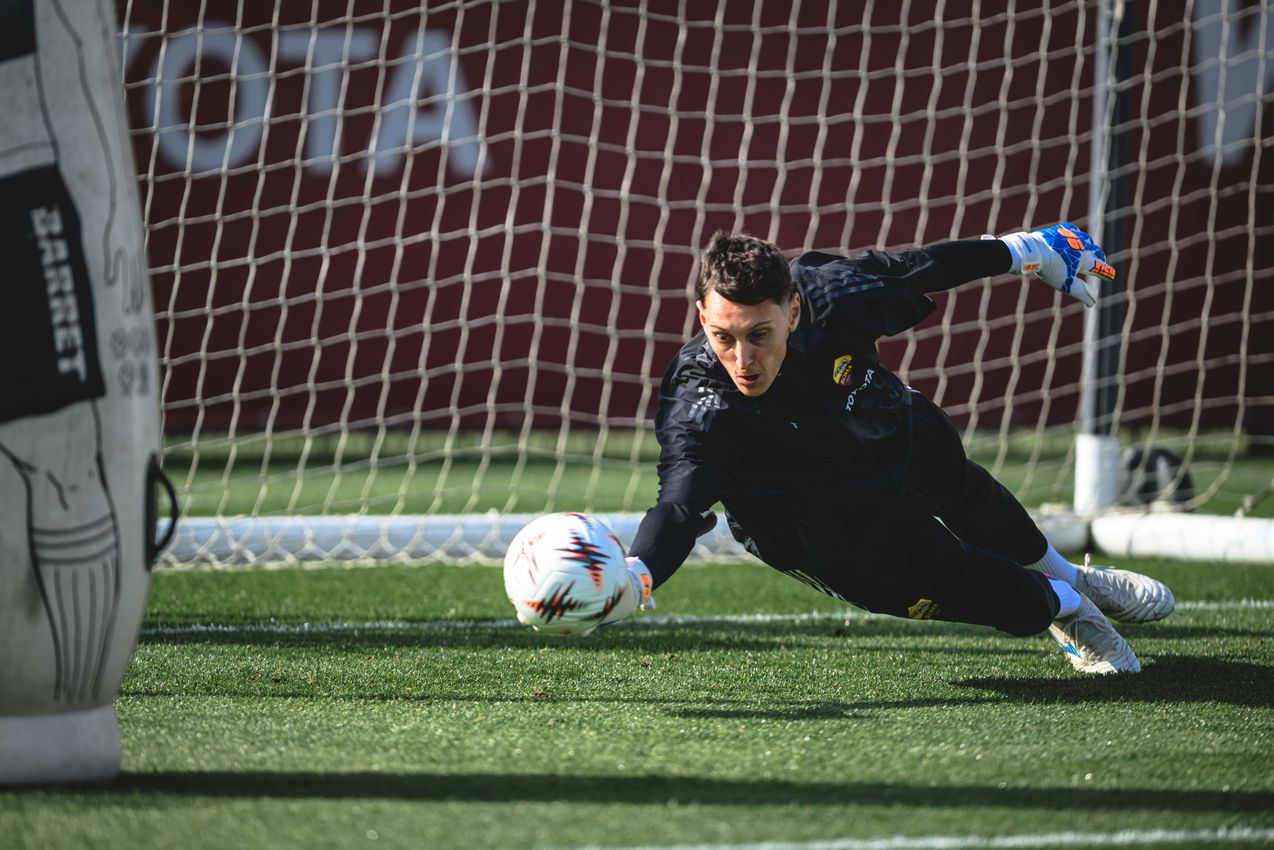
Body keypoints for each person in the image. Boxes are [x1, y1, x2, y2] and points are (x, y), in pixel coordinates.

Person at [609, 223, 1173, 674]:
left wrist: (1028, 249)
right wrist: (639, 573)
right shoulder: (697, 399)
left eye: (760, 334)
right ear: (703, 319)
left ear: (795, 311)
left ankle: (1070, 579)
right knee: (954, 584)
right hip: (811, 518)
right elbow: (680, 505)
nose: (742, 359)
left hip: (875, 420)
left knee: (958, 480)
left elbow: (920, 266)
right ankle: (1064, 607)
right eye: (722, 337)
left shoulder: (834, 295)